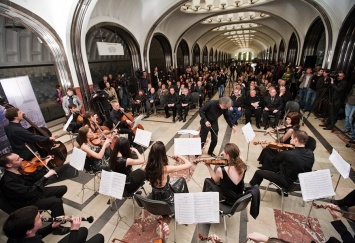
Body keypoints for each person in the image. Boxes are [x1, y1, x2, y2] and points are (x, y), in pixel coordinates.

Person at [0, 153, 69, 235]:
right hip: (27, 202)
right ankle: (57, 228)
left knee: (62, 188)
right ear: (9, 165)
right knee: (56, 202)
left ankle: (55, 210)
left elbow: (34, 178)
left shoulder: (20, 169)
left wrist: (45, 164)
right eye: (18, 159)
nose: (22, 159)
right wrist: (45, 177)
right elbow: (29, 192)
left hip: (34, 192)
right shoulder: (9, 181)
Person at [249, 130, 314, 196]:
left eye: (291, 138)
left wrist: (264, 148)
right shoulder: (310, 153)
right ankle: (282, 192)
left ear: (296, 140)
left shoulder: (287, 154)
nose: (290, 139)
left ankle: (250, 193)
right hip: (300, 183)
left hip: (286, 183)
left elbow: (272, 161)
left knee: (258, 173)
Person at [3, 205, 104, 243]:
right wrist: (73, 230)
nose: (42, 217)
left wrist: (52, 226)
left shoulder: (15, 235)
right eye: (38, 218)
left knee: (83, 230)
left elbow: (37, 234)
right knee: (99, 237)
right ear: (28, 230)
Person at [145, 141, 191, 205]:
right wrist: (179, 155)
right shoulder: (166, 169)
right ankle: (185, 203)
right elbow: (189, 164)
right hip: (166, 197)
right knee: (182, 180)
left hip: (155, 195)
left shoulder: (149, 165)